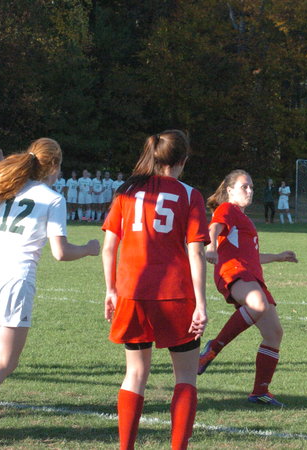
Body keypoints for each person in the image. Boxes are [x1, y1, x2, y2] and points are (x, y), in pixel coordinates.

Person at [102, 130, 208, 449]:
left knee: (135, 374)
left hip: (131, 291)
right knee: (185, 377)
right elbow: (196, 251)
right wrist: (201, 303)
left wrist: (110, 289)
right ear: (183, 160)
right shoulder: (190, 194)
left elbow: (109, 247)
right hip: (175, 294)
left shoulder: (126, 191)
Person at [0, 138, 100, 404]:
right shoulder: (53, 199)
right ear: (54, 165)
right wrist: (88, 248)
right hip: (15, 279)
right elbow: (61, 252)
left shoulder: (11, 188)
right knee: (6, 361)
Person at [198, 169, 298, 407]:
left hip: (251, 275)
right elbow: (213, 228)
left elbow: (252, 257)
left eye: (251, 187)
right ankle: (213, 348)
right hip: (233, 271)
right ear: (230, 190)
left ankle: (260, 392)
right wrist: (211, 248)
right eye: (244, 187)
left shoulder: (245, 219)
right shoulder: (227, 209)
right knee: (258, 304)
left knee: (274, 333)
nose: (250, 191)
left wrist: (278, 257)